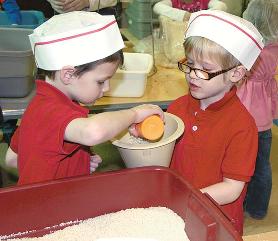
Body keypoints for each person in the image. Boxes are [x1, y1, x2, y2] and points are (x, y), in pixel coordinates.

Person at [4, 11, 164, 186]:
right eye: (101, 81)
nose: (107, 88)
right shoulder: (51, 111)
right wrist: (134, 114)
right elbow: (92, 131)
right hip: (51, 208)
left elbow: (12, 159)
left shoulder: (38, 105)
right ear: (68, 75)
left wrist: (75, 163)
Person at [167, 10, 264, 234]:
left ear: (236, 74)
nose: (192, 74)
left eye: (206, 69)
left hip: (217, 220)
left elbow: (231, 189)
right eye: (190, 63)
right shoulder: (177, 107)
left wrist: (187, 198)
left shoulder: (242, 126)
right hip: (176, 211)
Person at [236, 0, 278, 220]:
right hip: (263, 123)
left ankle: (239, 202)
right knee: (263, 166)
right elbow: (272, 89)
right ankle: (259, 208)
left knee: (240, 164)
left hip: (243, 119)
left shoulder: (251, 50)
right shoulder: (274, 48)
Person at [153, 0, 228, 22]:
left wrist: (202, 15)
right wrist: (183, 15)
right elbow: (157, 7)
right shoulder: (174, 1)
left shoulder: (203, 1)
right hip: (178, 35)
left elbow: (222, 6)